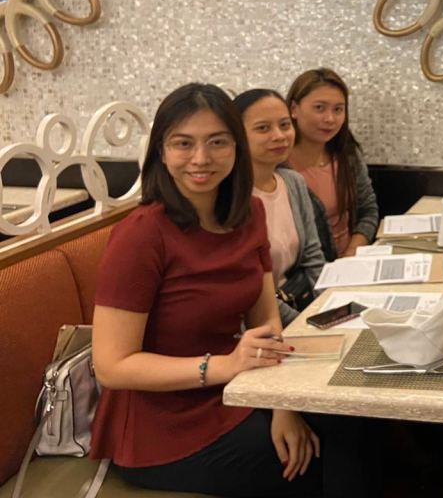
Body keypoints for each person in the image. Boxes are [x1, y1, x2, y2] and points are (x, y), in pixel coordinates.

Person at [90, 83, 375, 497]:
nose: (201, 158)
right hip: (161, 424)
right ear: (161, 152)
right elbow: (112, 365)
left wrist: (282, 402)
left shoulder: (248, 214)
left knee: (352, 422)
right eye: (183, 143)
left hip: (237, 389)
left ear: (236, 148)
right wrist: (223, 367)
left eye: (217, 142)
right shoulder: (142, 234)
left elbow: (265, 320)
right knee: (314, 460)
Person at [235, 88, 327, 326]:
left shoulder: (292, 182)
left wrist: (327, 309)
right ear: (237, 135)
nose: (279, 136)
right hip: (258, 322)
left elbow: (313, 257)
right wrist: (303, 325)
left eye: (285, 125)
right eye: (263, 128)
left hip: (300, 303)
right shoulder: (233, 199)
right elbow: (251, 288)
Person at [286, 68, 379, 257]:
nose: (330, 119)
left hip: (349, 261)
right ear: (294, 109)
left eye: (338, 109)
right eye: (319, 108)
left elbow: (367, 210)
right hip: (307, 269)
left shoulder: (347, 153)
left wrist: (352, 252)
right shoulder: (279, 164)